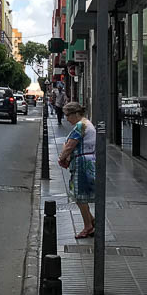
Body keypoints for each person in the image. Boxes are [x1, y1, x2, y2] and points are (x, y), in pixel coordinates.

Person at [57, 101, 95, 239]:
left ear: (75, 113)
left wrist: (61, 158)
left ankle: (88, 226)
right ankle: (91, 221)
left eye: (68, 115)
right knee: (80, 196)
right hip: (85, 162)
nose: (66, 118)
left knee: (80, 197)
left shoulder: (81, 126)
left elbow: (70, 146)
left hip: (82, 163)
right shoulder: (86, 123)